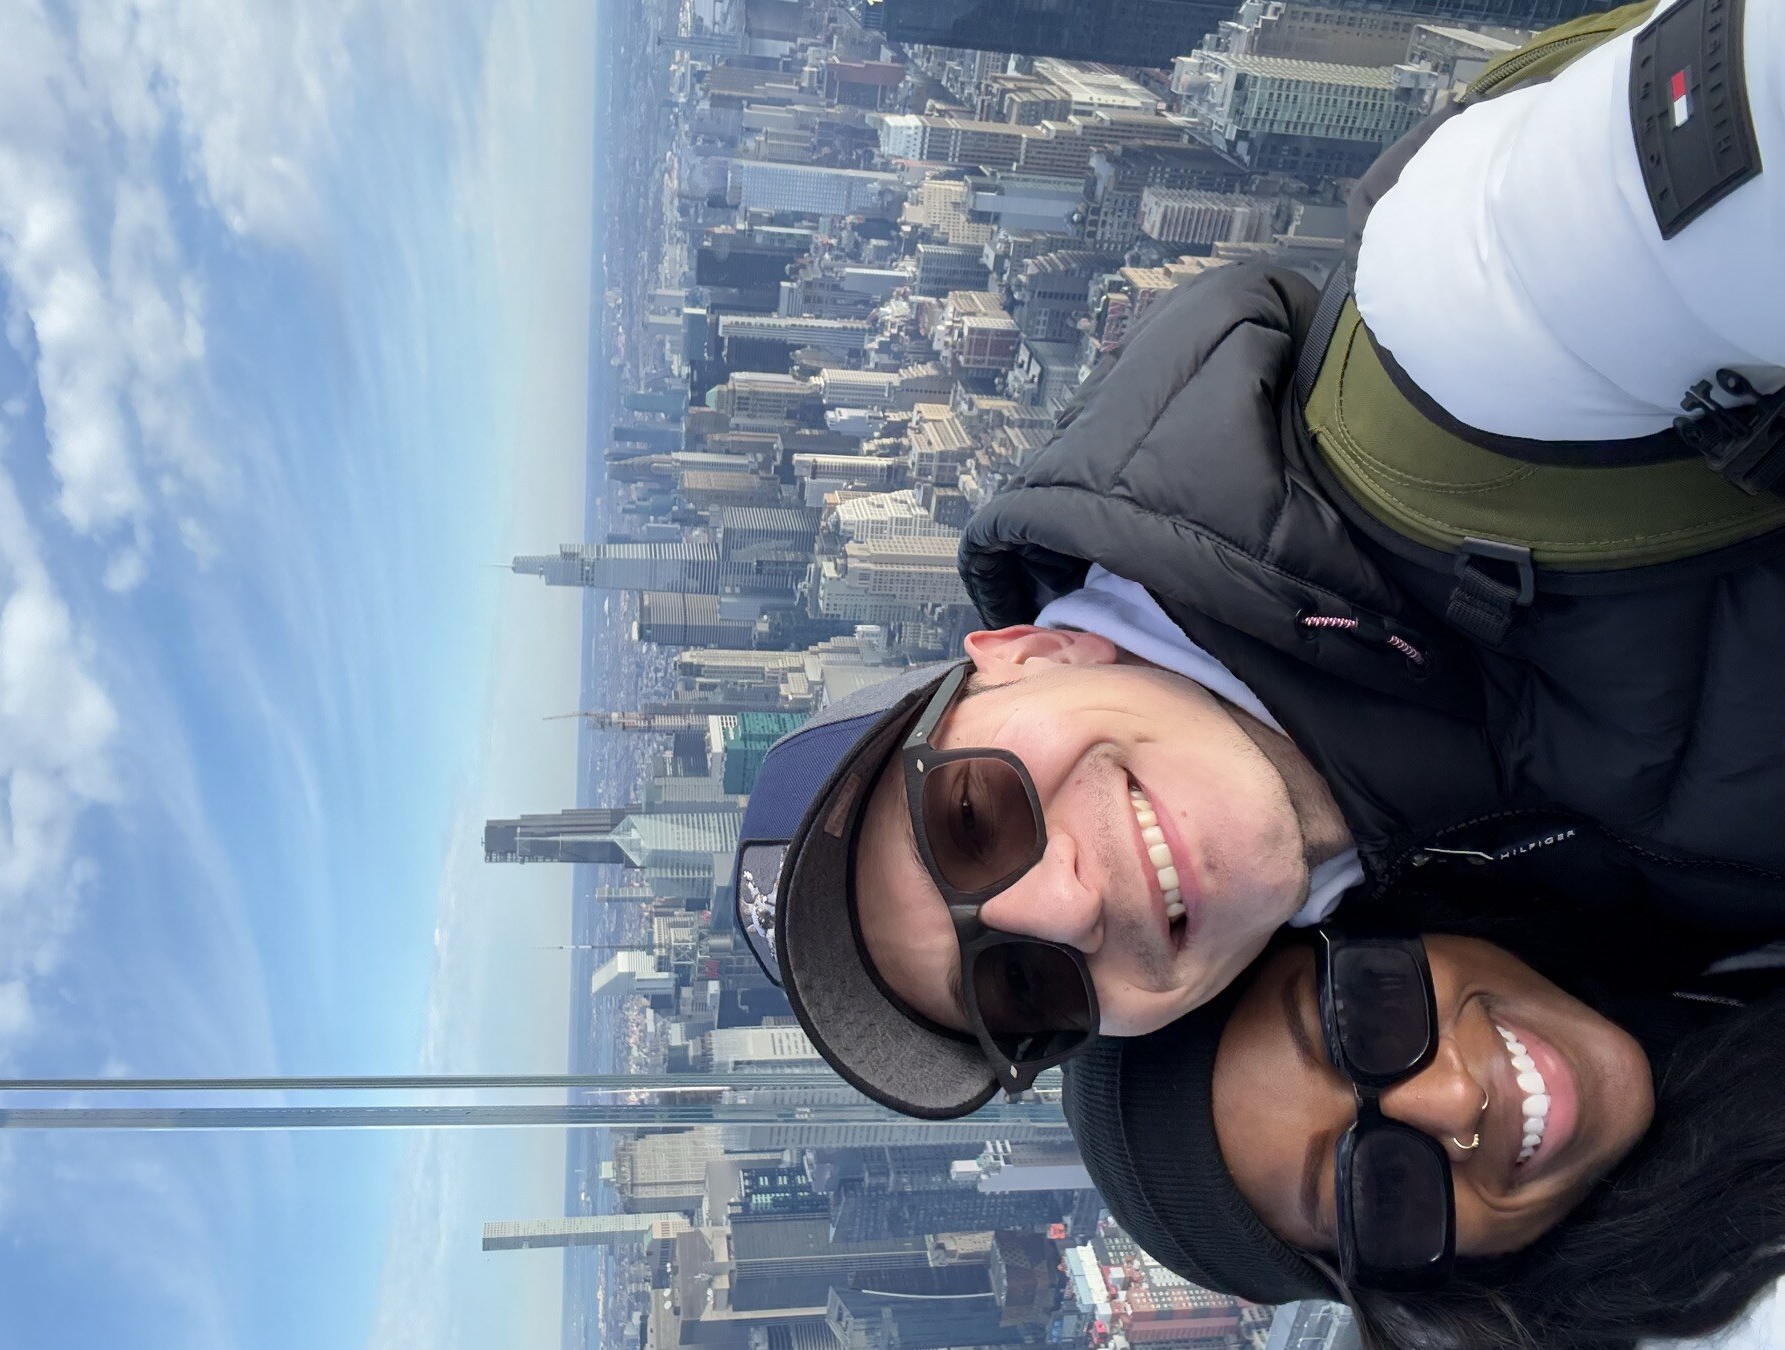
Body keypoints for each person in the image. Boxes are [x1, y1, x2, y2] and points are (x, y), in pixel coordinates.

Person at [733, 0, 1785, 1119]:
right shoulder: (1496, 994)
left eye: (972, 820)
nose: (1066, 910)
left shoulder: (1464, 337)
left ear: (1027, 653)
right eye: (1021, 986)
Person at [1060, 925, 1785, 1349]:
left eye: (1366, 1016)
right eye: (1383, 1191)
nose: (1457, 1098)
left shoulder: (1683, 935)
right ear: (1438, 1278)